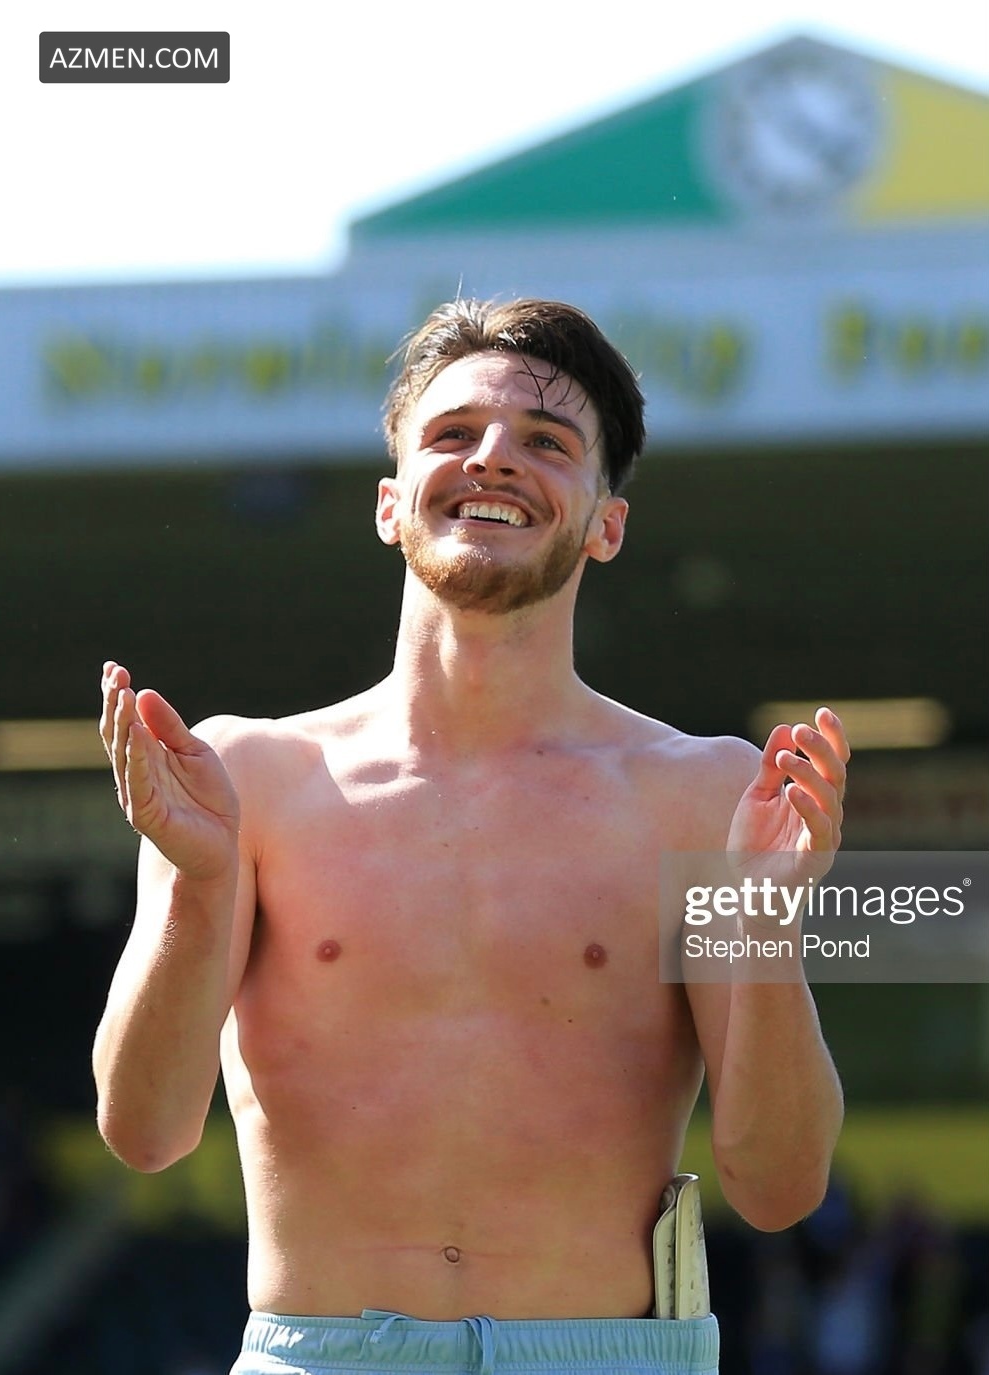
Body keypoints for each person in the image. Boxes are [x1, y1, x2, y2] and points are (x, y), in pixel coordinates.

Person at [94, 298, 849, 1375]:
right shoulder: (244, 779)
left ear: (607, 524)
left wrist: (763, 923)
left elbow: (779, 1188)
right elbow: (145, 1132)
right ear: (390, 503)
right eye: (453, 432)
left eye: (547, 442)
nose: (493, 457)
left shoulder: (705, 796)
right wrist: (199, 883)